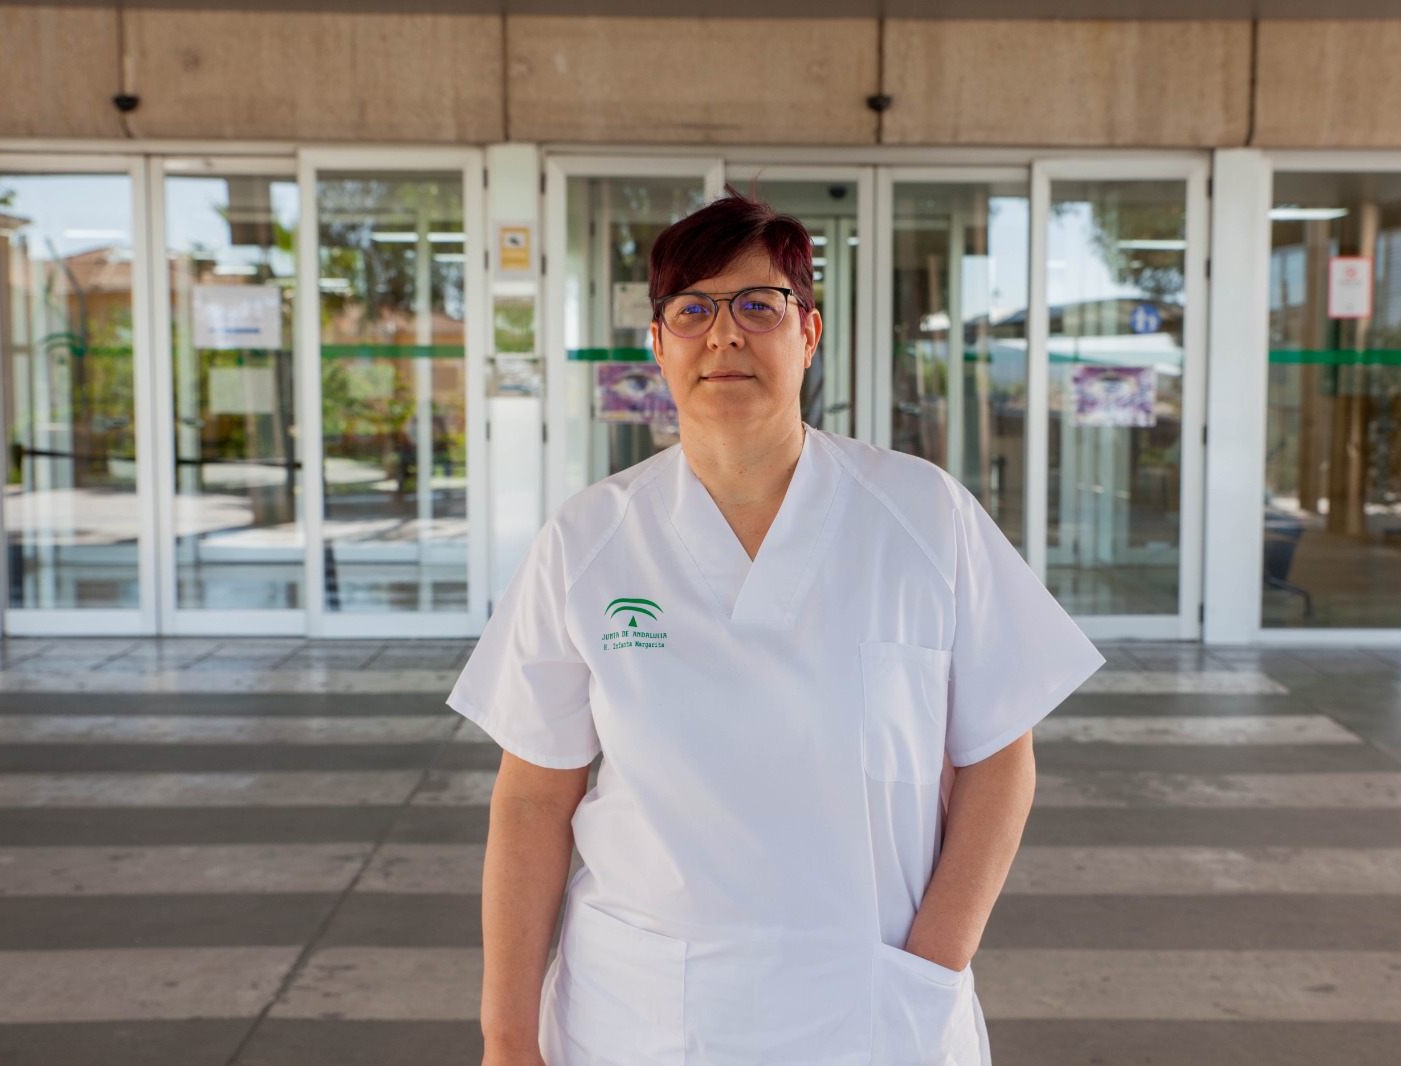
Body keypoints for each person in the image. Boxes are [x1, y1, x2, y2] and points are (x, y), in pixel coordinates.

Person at [448, 190, 1103, 1066]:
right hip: (640, 1017)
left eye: (759, 305)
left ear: (809, 334)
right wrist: (505, 1037)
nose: (725, 335)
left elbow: (998, 759)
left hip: (872, 1009)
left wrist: (933, 964)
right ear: (657, 343)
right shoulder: (589, 540)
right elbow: (534, 798)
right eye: (693, 310)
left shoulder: (921, 516)